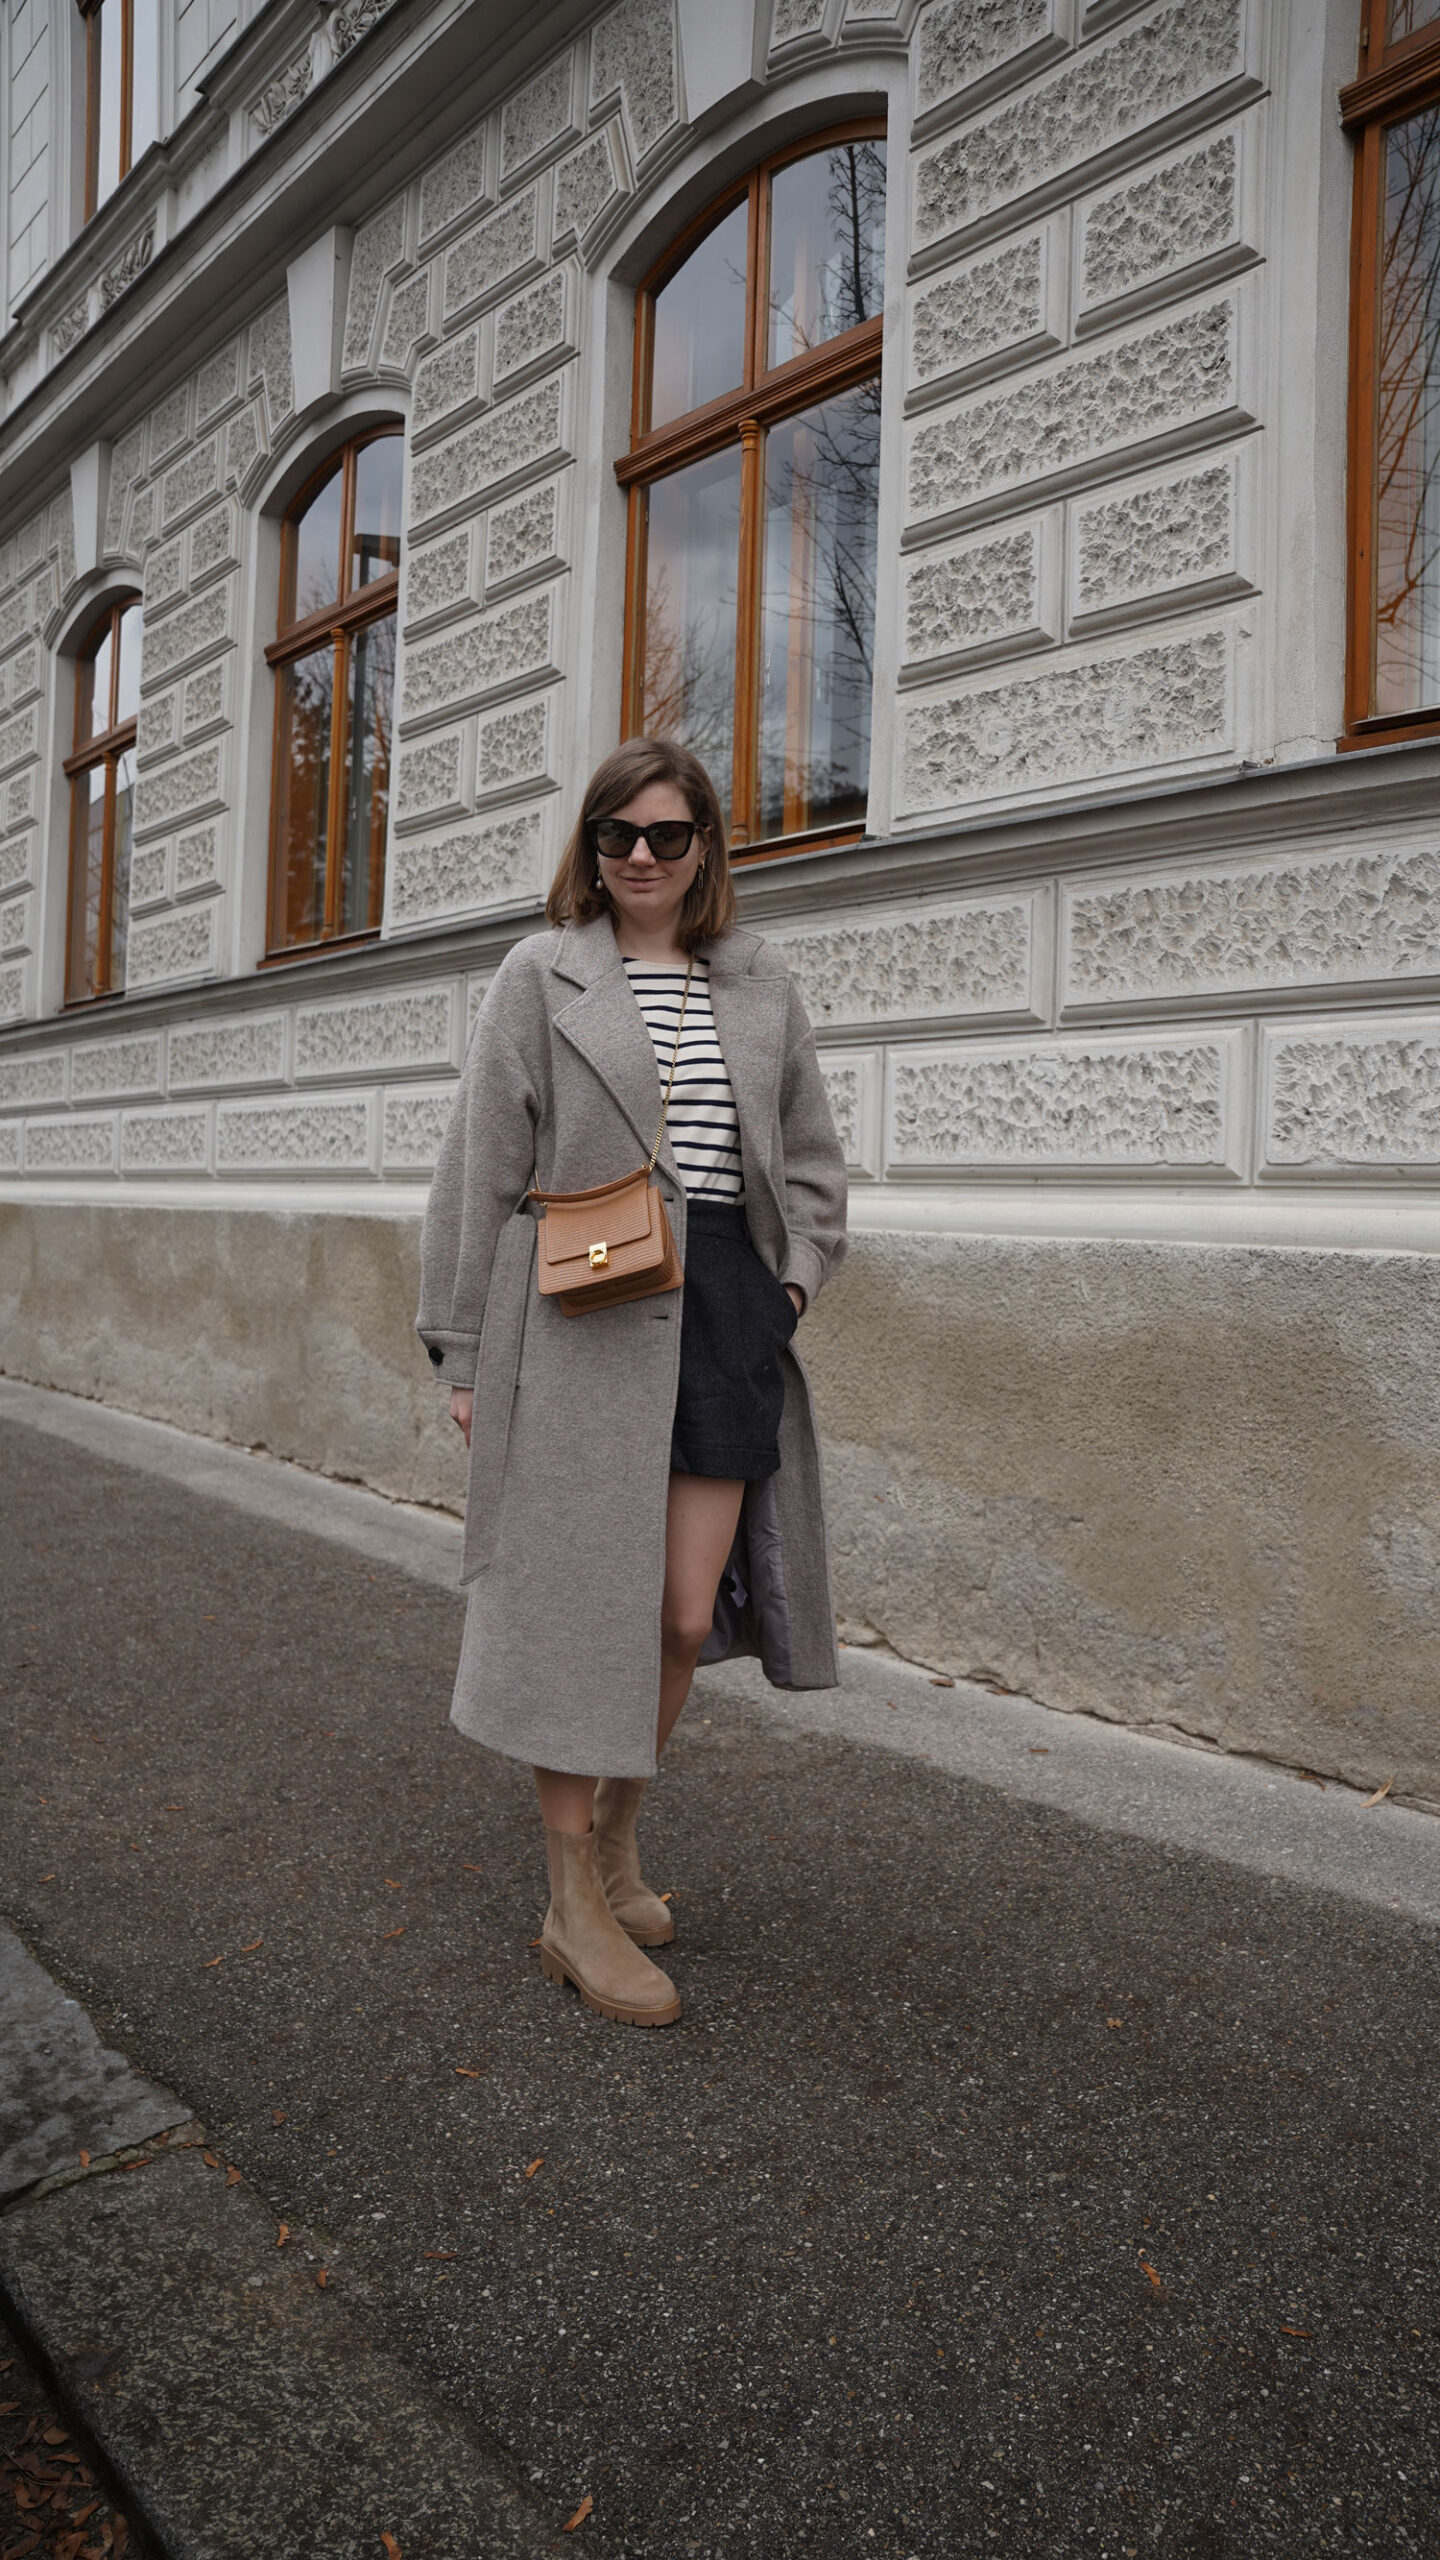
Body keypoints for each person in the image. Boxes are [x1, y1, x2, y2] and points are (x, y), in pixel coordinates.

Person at [417, 737, 848, 2028]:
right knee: (572, 1613)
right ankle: (569, 1903)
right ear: (592, 852)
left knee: (673, 1616)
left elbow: (817, 1171)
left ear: (706, 847)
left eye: (669, 835)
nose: (644, 858)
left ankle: (614, 1841)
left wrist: (786, 1291)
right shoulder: (537, 977)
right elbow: (477, 1172)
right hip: (575, 1309)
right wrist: (464, 1352)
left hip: (721, 1310)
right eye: (620, 838)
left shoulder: (761, 982)